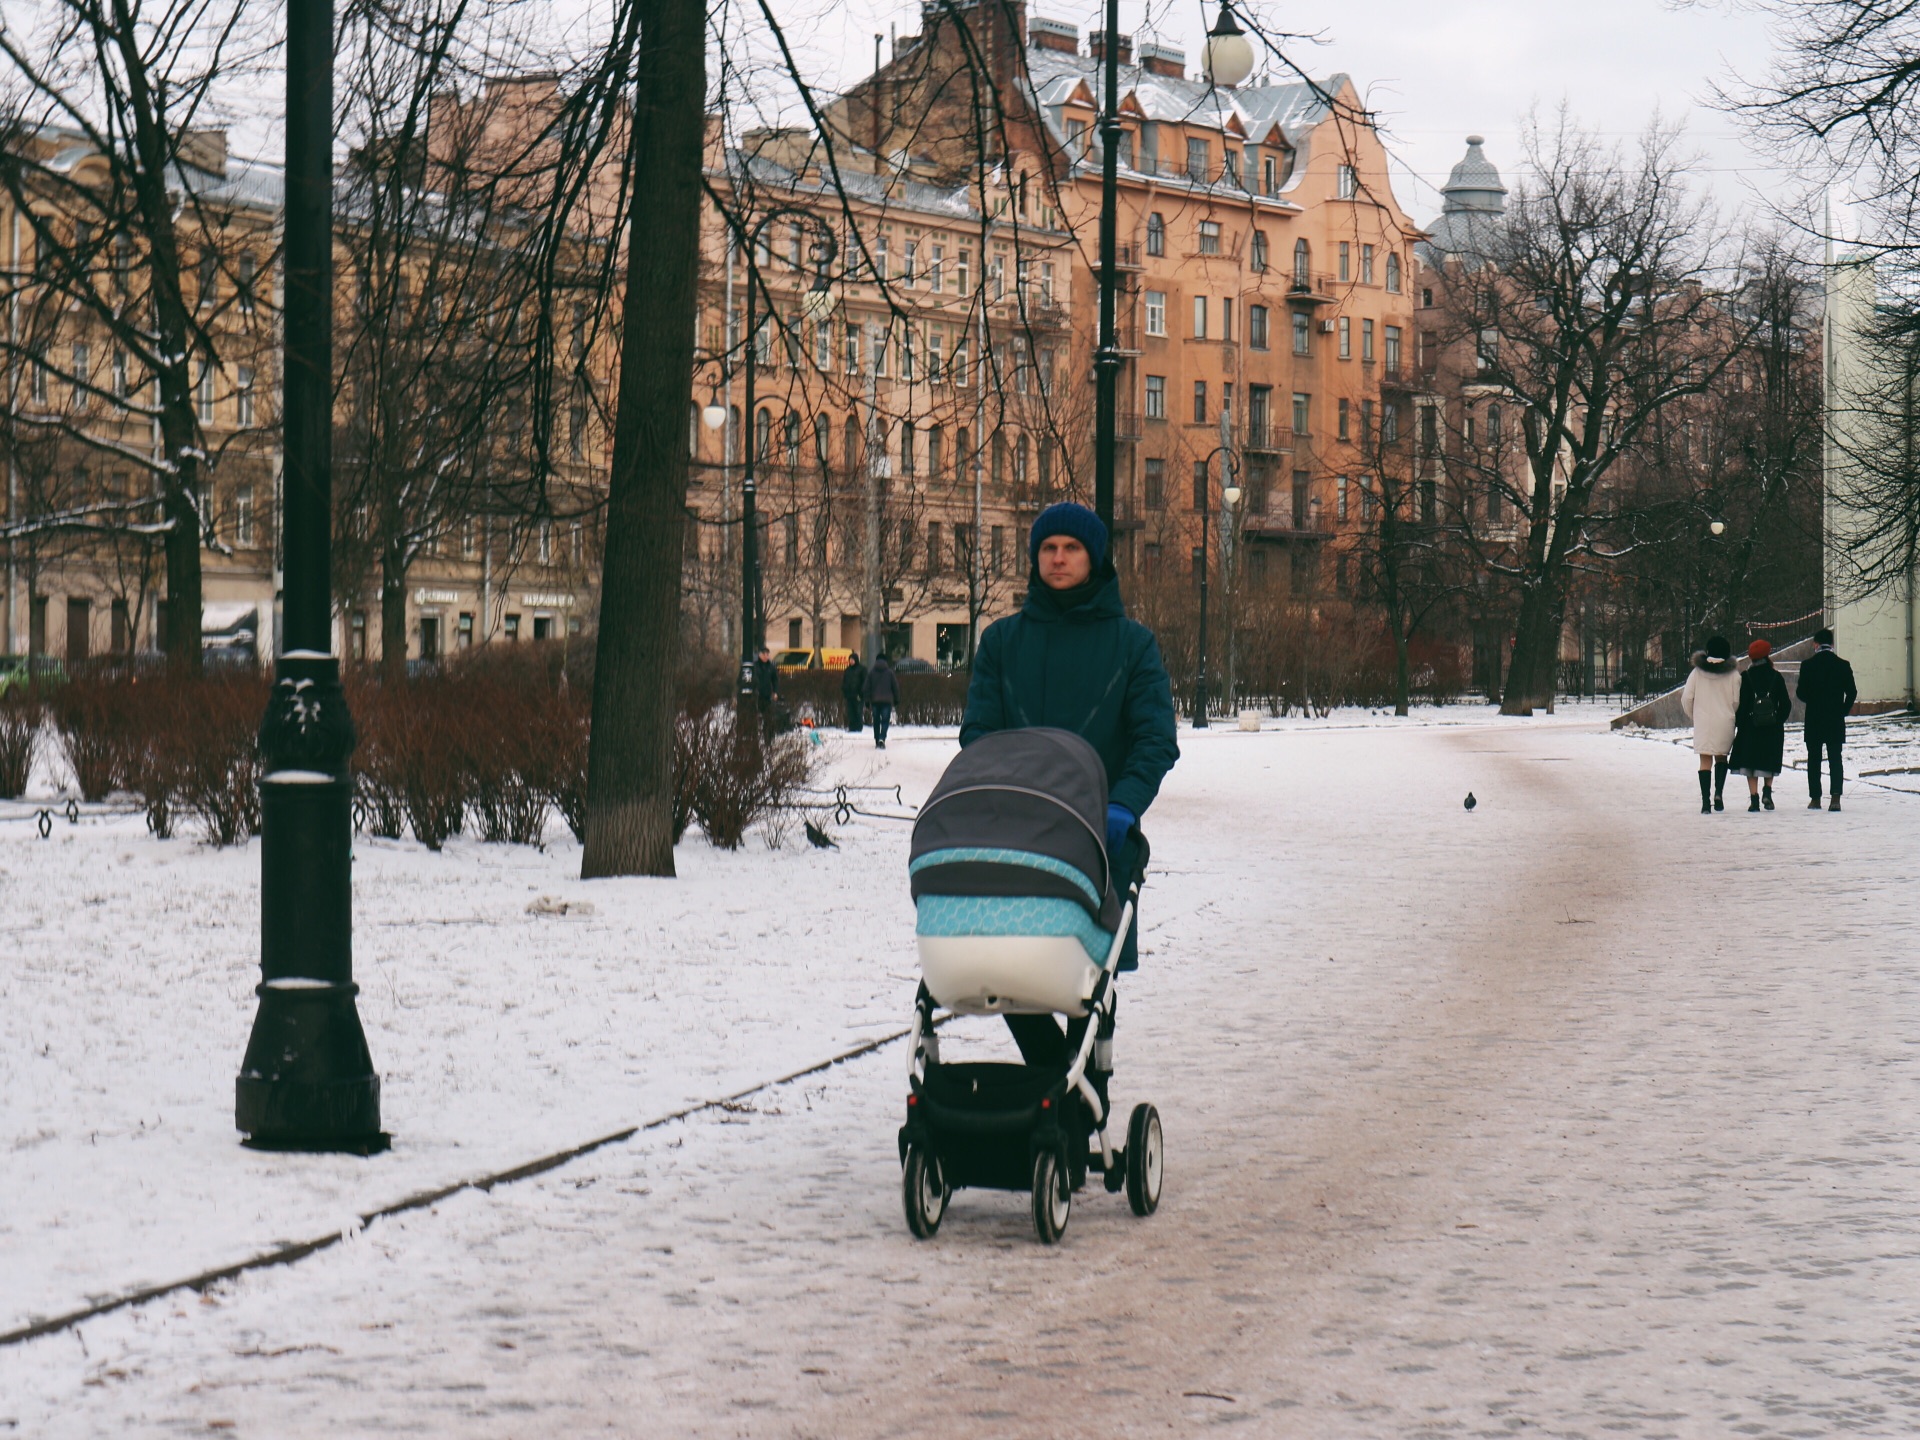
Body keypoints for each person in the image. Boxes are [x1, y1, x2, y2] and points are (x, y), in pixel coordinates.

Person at [960, 501, 1179, 1070]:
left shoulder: (1133, 645)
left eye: (1072, 549)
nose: (1058, 559)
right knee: (1006, 964)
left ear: (1094, 558)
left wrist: (1124, 805)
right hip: (1019, 833)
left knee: (1088, 970)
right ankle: (1058, 1087)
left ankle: (1081, 1089)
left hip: (1099, 837)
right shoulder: (1002, 642)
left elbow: (1154, 739)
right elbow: (979, 733)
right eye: (1048, 549)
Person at [1796, 626, 1858, 811]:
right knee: (1835, 759)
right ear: (1832, 644)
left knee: (1814, 759)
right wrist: (1843, 710)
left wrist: (1812, 700)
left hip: (1814, 718)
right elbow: (1852, 692)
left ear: (1816, 644)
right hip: (1834, 718)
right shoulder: (1842, 665)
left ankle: (1815, 798)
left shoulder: (1807, 665)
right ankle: (1835, 798)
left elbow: (1800, 692)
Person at [1680, 636, 1741, 813]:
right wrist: (1730, 714)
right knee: (1721, 757)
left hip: (1703, 721)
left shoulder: (1697, 673)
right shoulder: (1733, 674)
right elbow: (1736, 701)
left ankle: (1706, 802)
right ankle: (1719, 794)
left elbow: (1687, 698)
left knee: (1705, 759)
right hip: (1724, 721)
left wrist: (1695, 715)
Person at [1729, 639, 1791, 812]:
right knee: (1769, 759)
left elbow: (1740, 704)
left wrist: (1741, 724)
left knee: (1750, 763)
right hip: (1772, 726)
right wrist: (1778, 721)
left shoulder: (1745, 677)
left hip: (1750, 727)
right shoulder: (1776, 677)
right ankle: (1768, 792)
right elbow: (1786, 704)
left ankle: (1754, 798)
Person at [864, 652, 900, 748]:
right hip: (887, 701)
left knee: (876, 721)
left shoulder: (871, 672)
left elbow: (866, 688)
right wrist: (896, 699)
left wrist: (867, 701)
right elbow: (895, 687)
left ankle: (877, 739)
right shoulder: (890, 673)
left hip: (875, 701)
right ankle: (882, 738)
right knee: (885, 721)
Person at [752, 645, 779, 737]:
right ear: (759, 655)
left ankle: (768, 737)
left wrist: (775, 692)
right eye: (764, 654)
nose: (766, 656)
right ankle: (755, 736)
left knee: (768, 718)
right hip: (756, 696)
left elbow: (775, 680)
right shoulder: (755, 666)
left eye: (767, 654)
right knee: (754, 718)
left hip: (767, 696)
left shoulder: (771, 667)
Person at [841, 653, 867, 733]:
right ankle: (852, 727)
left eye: (852, 660)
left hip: (858, 695)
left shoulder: (862, 669)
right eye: (850, 660)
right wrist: (844, 691)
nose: (851, 661)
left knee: (858, 711)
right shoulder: (848, 670)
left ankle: (858, 728)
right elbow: (845, 681)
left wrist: (861, 693)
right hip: (849, 695)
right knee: (850, 712)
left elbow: (865, 682)